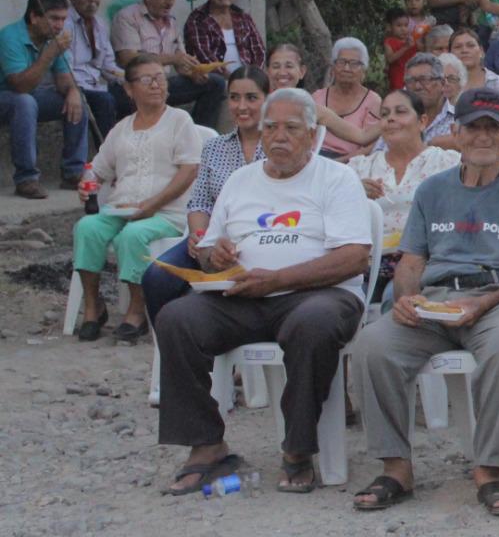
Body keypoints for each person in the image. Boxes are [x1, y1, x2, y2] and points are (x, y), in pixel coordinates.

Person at [349, 87, 499, 517]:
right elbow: (412, 261)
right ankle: (396, 467)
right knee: (372, 345)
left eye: (492, 128)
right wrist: (406, 301)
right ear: (457, 133)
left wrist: (484, 304)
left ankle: (491, 469)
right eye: (473, 128)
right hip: (438, 299)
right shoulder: (432, 190)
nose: (482, 137)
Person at [155, 88, 372, 495]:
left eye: (291, 128)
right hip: (245, 295)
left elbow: (354, 258)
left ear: (311, 134)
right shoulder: (240, 181)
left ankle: (298, 448)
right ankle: (207, 445)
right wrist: (212, 256)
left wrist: (277, 279)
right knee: (177, 318)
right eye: (270, 127)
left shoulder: (336, 178)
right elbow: (207, 250)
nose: (278, 137)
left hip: (319, 294)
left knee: (315, 324)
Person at [70, 53, 203, 342]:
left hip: (167, 213)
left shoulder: (180, 120)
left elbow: (190, 169)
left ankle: (137, 309)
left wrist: (152, 205)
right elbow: (98, 168)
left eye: (160, 78)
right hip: (122, 208)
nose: (157, 85)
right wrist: (87, 184)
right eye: (147, 79)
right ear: (129, 89)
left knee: (132, 236)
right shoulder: (122, 128)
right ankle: (93, 307)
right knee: (87, 228)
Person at [142, 66, 270, 324]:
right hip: (209, 239)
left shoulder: (276, 148)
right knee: (155, 277)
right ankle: (169, 346)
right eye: (234, 97)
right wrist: (200, 237)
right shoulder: (214, 147)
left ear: (268, 99)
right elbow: (200, 201)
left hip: (258, 239)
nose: (241, 106)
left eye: (251, 98)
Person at [346, 88, 459, 300]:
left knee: (394, 297)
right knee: (347, 300)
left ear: (422, 121)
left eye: (400, 112)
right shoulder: (360, 168)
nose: (391, 119)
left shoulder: (447, 163)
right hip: (365, 263)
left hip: (422, 261)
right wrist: (354, 193)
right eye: (385, 114)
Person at [0, 0, 88, 198]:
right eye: (54, 19)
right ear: (34, 17)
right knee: (25, 103)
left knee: (78, 101)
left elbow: (63, 79)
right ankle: (26, 178)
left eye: (63, 19)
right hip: (7, 94)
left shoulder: (52, 38)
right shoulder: (9, 37)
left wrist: (74, 91)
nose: (59, 25)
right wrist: (49, 55)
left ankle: (73, 172)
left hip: (29, 94)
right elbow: (19, 85)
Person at [111, 0, 226, 130]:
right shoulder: (127, 17)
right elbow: (128, 59)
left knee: (215, 83)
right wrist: (173, 59)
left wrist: (193, 73)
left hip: (164, 83)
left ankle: (199, 138)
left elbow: (180, 62)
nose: (170, 2)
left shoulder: (172, 23)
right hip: (136, 85)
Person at [58, 0, 126, 137]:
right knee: (105, 101)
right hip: (74, 86)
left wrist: (129, 79)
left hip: (97, 86)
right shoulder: (64, 23)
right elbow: (65, 67)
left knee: (136, 93)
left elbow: (108, 65)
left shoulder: (100, 24)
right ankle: (105, 155)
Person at [183, 0, 266, 71]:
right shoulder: (197, 19)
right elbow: (202, 54)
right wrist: (230, 79)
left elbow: (259, 50)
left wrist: (253, 76)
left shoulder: (244, 18)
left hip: (247, 78)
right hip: (212, 81)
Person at [312, 38, 381, 160]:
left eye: (354, 63)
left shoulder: (373, 101)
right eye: (341, 62)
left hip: (351, 163)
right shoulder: (317, 96)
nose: (347, 68)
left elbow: (369, 147)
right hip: (314, 158)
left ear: (364, 70)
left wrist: (337, 163)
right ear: (333, 67)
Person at [449, 26, 499, 98]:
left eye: (471, 45)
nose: (464, 50)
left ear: (482, 51)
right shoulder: (444, 85)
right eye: (458, 47)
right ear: (449, 53)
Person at [380, 6, 417, 90]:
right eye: (399, 25)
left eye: (406, 25)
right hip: (397, 77)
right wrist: (405, 47)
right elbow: (390, 59)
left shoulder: (411, 39)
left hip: (412, 76)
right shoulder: (389, 41)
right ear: (390, 26)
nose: (403, 29)